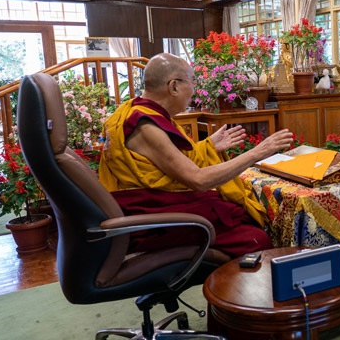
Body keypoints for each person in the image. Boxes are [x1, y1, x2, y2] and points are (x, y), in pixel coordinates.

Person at [98, 53, 294, 257]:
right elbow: (197, 179)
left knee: (233, 209)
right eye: (192, 82)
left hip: (155, 205)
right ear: (174, 87)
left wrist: (208, 146)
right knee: (254, 238)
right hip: (154, 221)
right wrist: (258, 152)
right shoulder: (146, 126)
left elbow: (165, 162)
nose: (194, 90)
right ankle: (230, 287)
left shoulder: (132, 111)